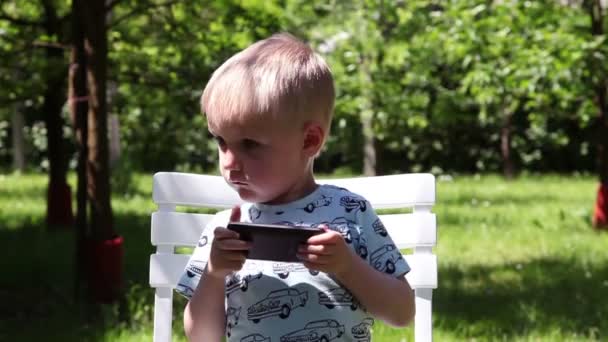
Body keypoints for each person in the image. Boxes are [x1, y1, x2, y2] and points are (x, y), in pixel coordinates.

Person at [176, 32, 415, 342]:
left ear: (309, 141)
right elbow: (201, 337)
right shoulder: (226, 229)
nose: (230, 162)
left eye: (250, 144)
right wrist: (213, 273)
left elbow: (402, 313)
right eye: (222, 142)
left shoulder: (350, 212)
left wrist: (347, 267)